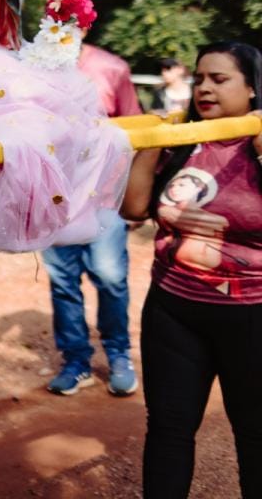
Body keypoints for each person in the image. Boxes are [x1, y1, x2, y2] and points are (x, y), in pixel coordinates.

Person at [122, 41, 262, 498]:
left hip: (252, 315)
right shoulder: (185, 138)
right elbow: (134, 208)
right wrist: (151, 144)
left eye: (219, 79)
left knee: (255, 434)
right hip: (173, 309)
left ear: (253, 88)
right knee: (168, 429)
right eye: (199, 78)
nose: (204, 88)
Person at [41, 41, 142, 397]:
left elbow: (136, 130)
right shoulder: (34, 68)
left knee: (110, 277)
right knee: (62, 282)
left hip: (104, 198)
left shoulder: (111, 68)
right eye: (55, 16)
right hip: (56, 200)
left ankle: (118, 355)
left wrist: (132, 194)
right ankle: (76, 361)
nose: (63, 23)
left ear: (85, 21)